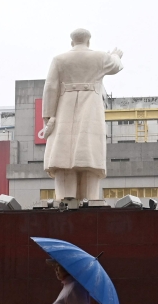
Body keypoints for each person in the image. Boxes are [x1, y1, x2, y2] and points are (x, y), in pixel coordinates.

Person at [39, 28, 124, 201]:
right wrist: (115, 55)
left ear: (72, 42)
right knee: (89, 160)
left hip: (64, 111)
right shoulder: (100, 57)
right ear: (89, 41)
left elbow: (50, 89)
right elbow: (116, 66)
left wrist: (48, 118)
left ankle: (65, 202)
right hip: (90, 111)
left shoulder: (59, 59)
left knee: (63, 161)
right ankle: (91, 203)